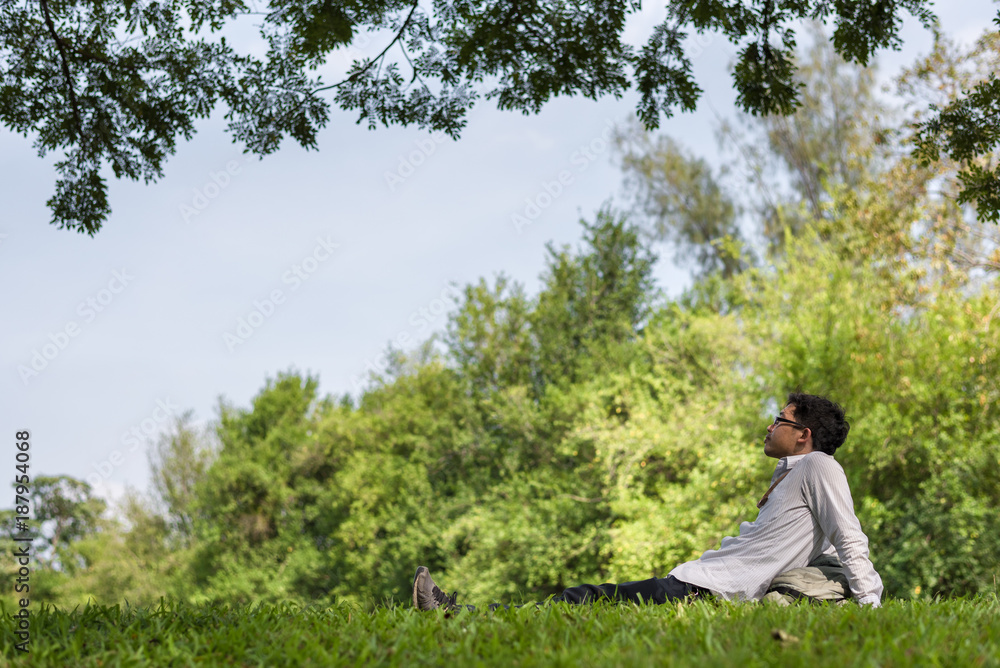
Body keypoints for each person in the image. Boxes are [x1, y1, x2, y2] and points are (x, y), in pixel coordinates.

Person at [412, 392, 883, 611]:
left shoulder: (820, 467)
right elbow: (820, 545)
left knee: (585, 599)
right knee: (592, 601)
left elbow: (848, 537)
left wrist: (870, 606)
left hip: (709, 589)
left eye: (777, 419)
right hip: (704, 580)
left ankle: (465, 618)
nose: (768, 425)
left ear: (802, 435)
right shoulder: (795, 473)